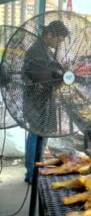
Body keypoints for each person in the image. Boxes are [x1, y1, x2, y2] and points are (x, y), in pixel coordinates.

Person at [23, 20, 69, 183]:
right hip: (36, 100)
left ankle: (36, 169)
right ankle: (32, 173)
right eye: (58, 40)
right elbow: (42, 77)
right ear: (49, 34)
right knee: (36, 134)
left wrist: (61, 71)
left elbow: (50, 71)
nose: (59, 44)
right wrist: (60, 76)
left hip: (43, 100)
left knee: (40, 135)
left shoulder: (45, 50)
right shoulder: (37, 51)